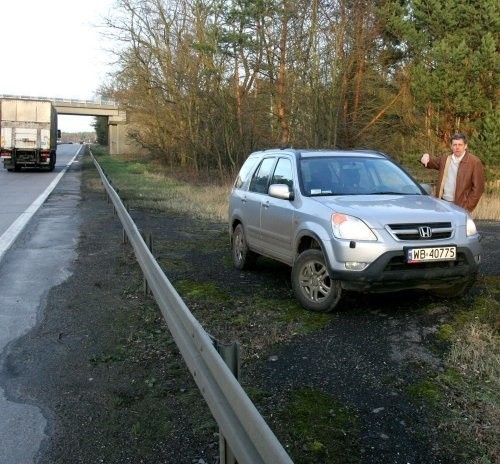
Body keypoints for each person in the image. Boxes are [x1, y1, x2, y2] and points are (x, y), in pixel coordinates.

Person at [420, 133, 485, 213]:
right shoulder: (445, 158)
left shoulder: (474, 162)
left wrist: (467, 207)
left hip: (460, 206)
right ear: (451, 146)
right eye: (454, 145)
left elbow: (478, 189)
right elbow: (431, 163)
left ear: (465, 146)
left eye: (460, 145)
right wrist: (425, 156)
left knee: (458, 226)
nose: (457, 147)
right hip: (442, 203)